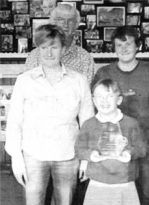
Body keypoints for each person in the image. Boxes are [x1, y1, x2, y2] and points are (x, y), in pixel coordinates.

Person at [5, 24, 94, 205]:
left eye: (54, 47)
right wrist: (16, 157)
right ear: (38, 49)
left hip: (68, 155)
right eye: (43, 47)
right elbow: (14, 121)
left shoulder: (79, 81)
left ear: (63, 48)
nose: (49, 53)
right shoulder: (25, 80)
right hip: (33, 155)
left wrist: (86, 159)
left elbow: (88, 122)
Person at [92, 26, 149, 205]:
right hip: (113, 144)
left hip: (146, 141)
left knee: (148, 192)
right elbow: (95, 108)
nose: (124, 49)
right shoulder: (104, 73)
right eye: (119, 45)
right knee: (116, 194)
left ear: (137, 46)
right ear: (114, 48)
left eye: (128, 44)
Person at [76, 78, 147, 205]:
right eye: (99, 97)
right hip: (98, 182)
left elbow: (142, 148)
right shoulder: (88, 124)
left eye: (110, 96)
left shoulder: (131, 123)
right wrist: (90, 155)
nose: (104, 101)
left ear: (119, 100)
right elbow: (79, 149)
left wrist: (129, 153)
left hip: (124, 183)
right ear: (93, 100)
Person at [25, 3, 95, 83]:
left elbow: (86, 91)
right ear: (53, 23)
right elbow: (28, 88)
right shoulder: (35, 56)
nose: (66, 24)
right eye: (61, 20)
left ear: (76, 25)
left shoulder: (85, 59)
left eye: (70, 20)